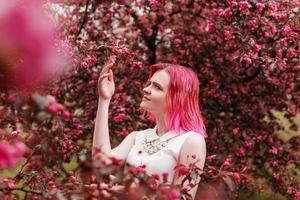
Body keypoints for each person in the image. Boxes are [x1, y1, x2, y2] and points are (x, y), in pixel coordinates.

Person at [92, 58, 207, 199]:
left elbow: (183, 197)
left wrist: (122, 191)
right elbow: (101, 163)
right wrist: (104, 100)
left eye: (157, 87)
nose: (146, 89)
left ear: (177, 97)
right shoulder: (137, 137)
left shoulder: (191, 141)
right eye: (149, 84)